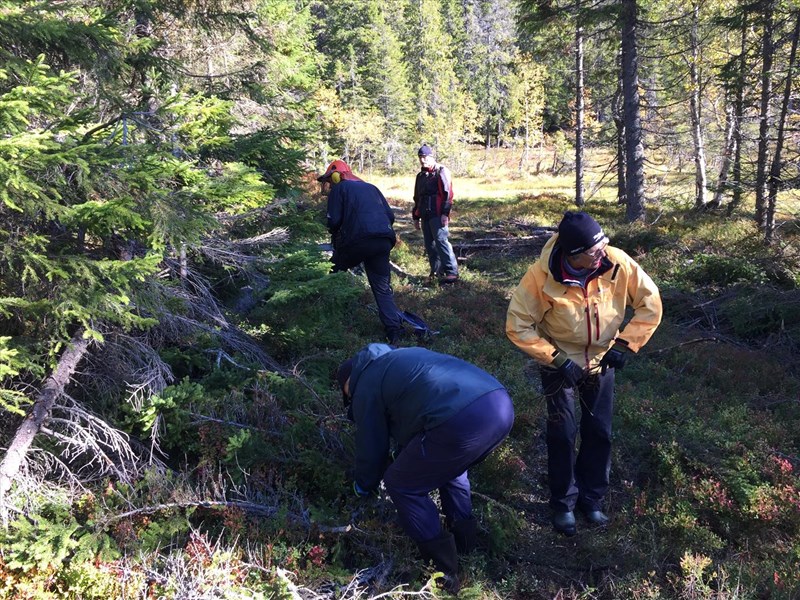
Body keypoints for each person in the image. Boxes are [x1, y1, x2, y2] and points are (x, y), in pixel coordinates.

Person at [505, 211, 662, 536]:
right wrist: (555, 359)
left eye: (603, 243)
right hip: (559, 364)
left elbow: (650, 302)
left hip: (602, 361)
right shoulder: (540, 277)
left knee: (599, 432)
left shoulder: (617, 263)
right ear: (574, 255)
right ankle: (563, 505)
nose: (602, 252)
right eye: (594, 250)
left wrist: (625, 344)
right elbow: (517, 324)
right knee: (562, 435)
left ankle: (591, 501)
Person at [336, 343, 514, 593]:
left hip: (463, 419)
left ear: (348, 383)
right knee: (450, 469)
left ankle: (444, 573)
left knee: (401, 484)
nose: (350, 401)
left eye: (347, 396)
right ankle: (466, 546)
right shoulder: (399, 359)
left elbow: (371, 446)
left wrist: (363, 486)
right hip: (499, 404)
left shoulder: (365, 383)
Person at [319, 160, 404, 344]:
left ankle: (325, 319)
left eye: (329, 180)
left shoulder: (339, 189)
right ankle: (394, 331)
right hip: (383, 241)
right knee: (382, 287)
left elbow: (334, 221)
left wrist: (337, 235)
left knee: (335, 273)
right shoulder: (371, 188)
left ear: (336, 176)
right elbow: (390, 216)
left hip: (358, 241)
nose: (329, 185)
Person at [412, 145, 459, 283]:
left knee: (441, 241)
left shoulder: (441, 171)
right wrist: (416, 216)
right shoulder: (420, 176)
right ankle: (436, 271)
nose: (422, 160)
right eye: (420, 157)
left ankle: (452, 272)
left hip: (438, 214)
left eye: (425, 157)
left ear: (431, 157)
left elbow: (447, 194)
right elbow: (417, 197)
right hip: (425, 214)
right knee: (429, 244)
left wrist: (445, 213)